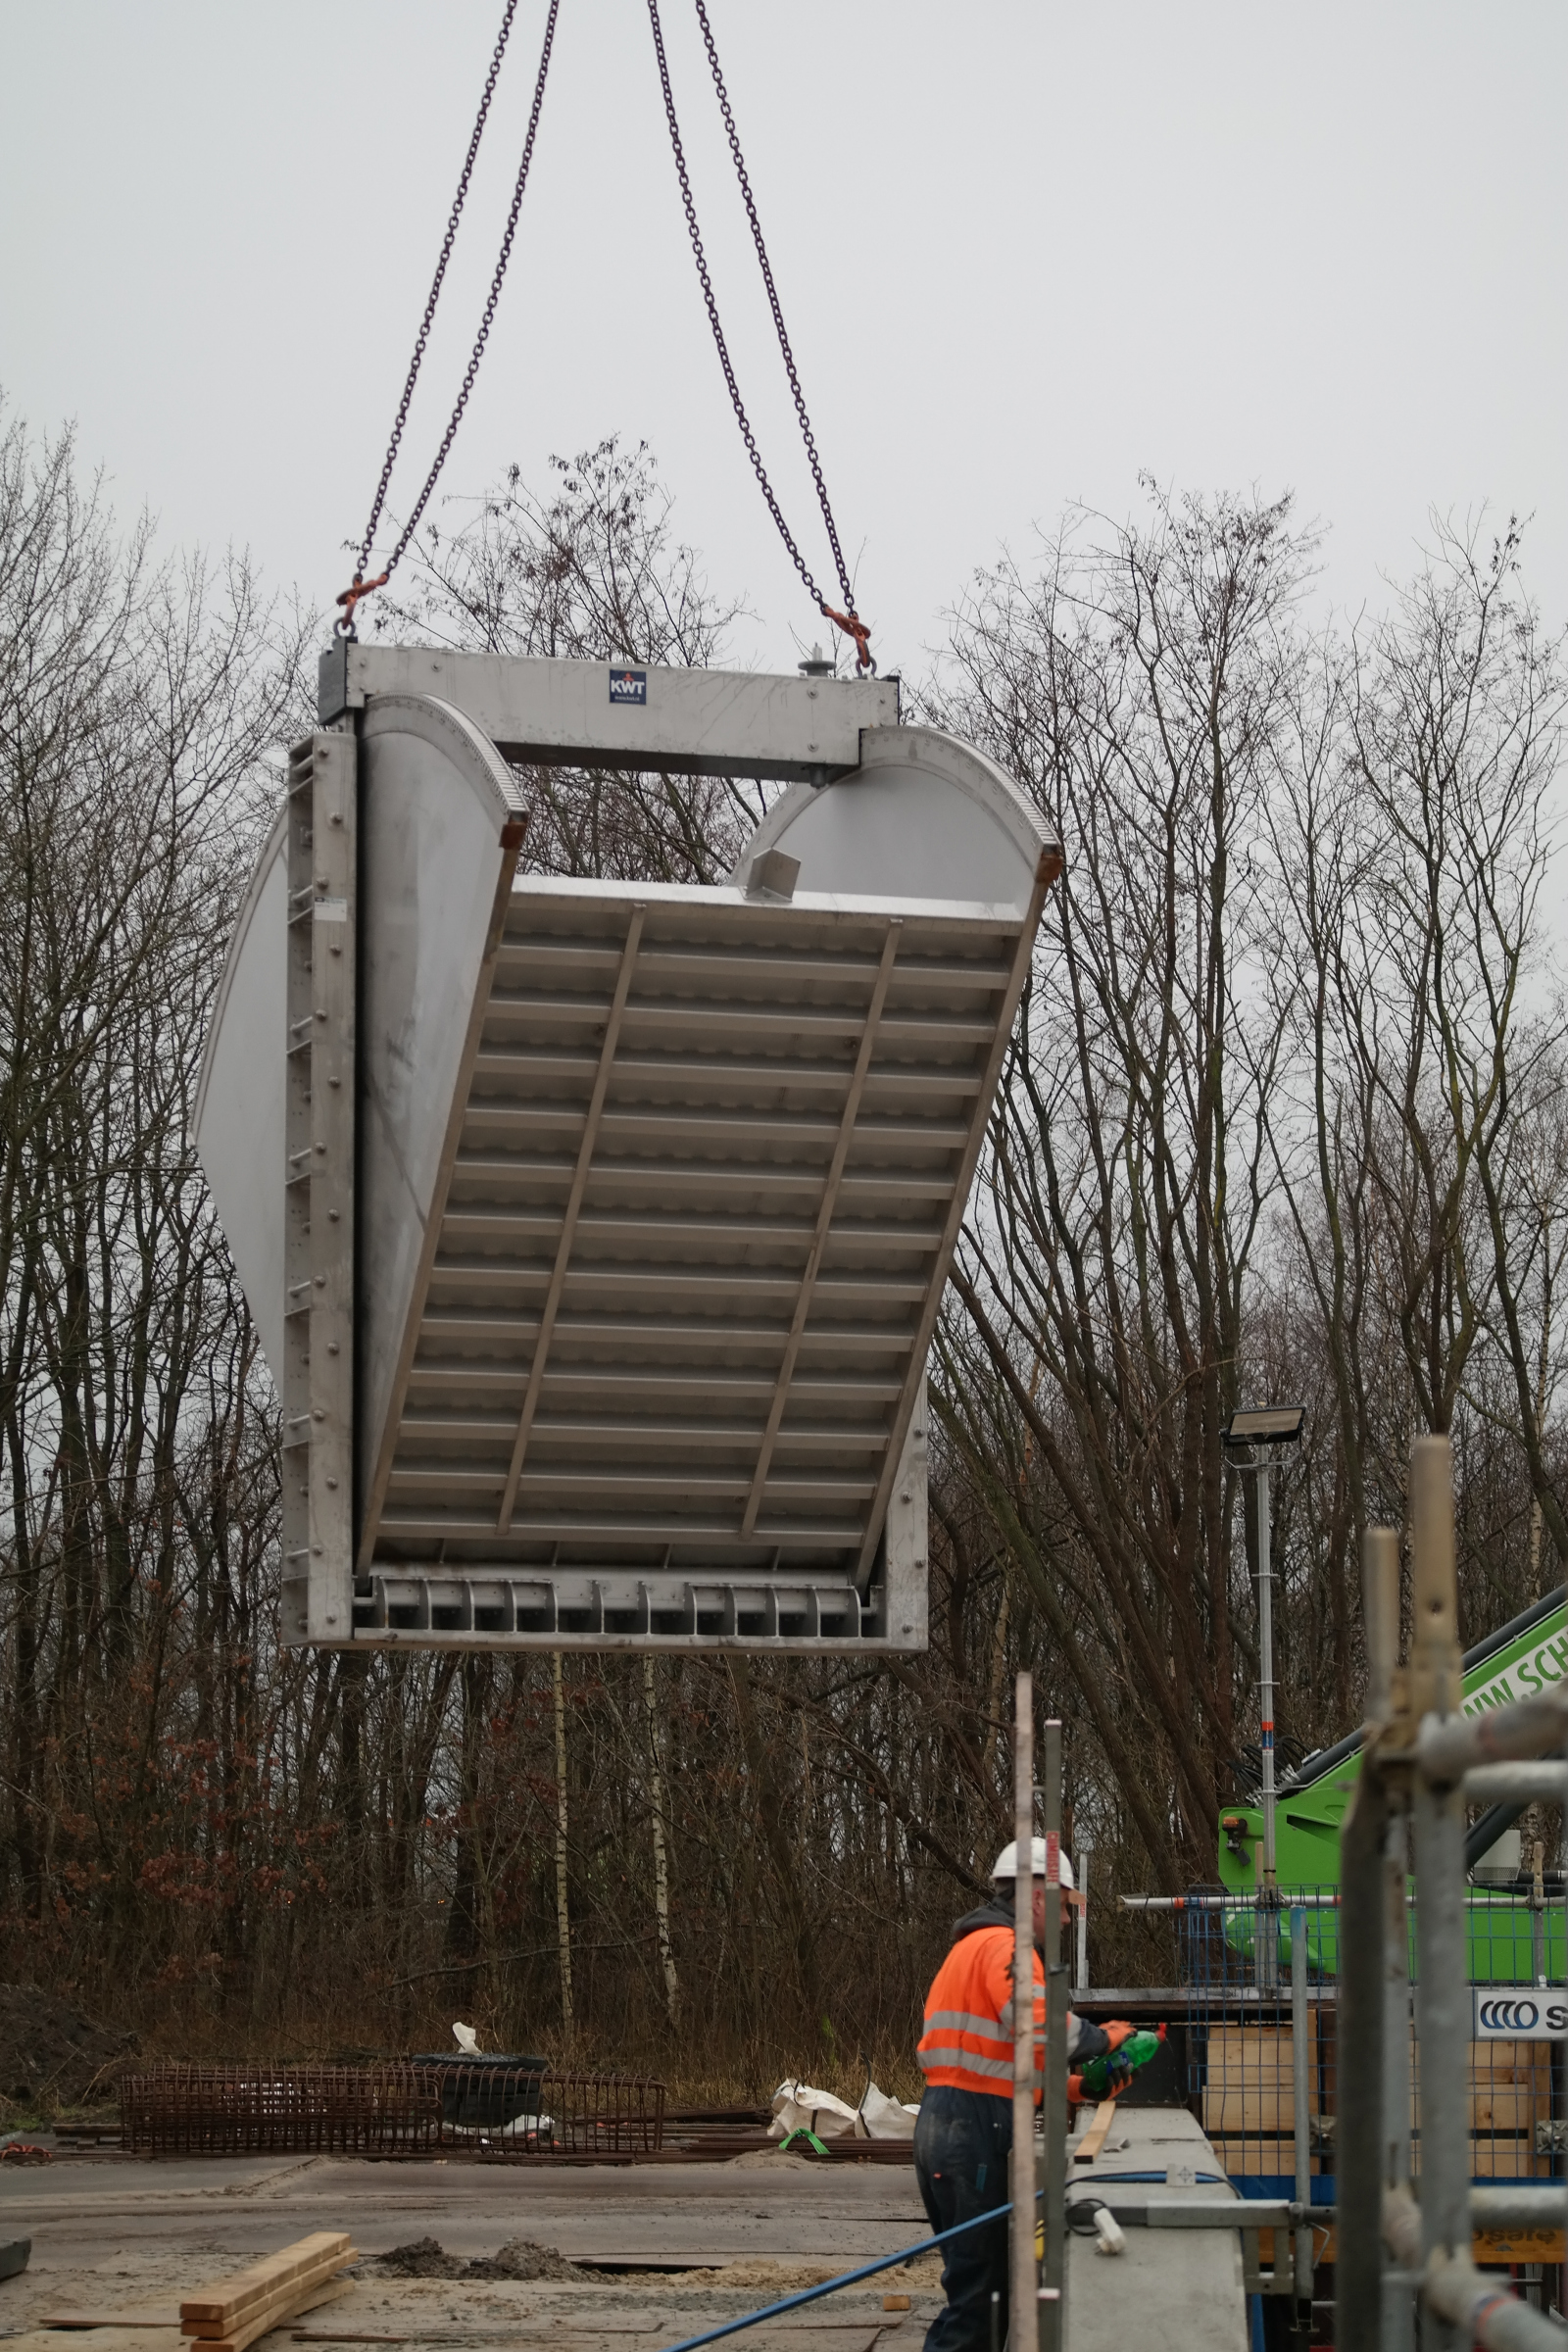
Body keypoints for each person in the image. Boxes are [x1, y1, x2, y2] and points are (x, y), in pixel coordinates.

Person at [912, 1839, 1132, 2352]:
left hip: (950, 2120)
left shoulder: (974, 1948)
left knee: (977, 2293)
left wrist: (1076, 2088)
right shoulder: (1006, 1949)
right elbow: (1039, 2026)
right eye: (1065, 1905)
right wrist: (1103, 2039)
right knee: (980, 2304)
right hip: (969, 2128)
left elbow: (1005, 2059)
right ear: (1037, 1896)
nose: (1066, 1920)